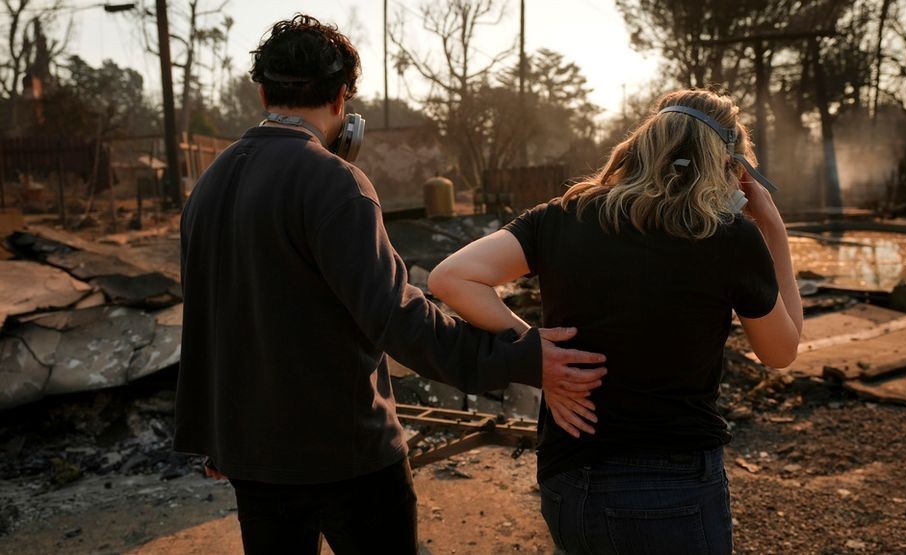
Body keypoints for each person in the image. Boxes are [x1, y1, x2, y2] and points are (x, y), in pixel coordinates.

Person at [173, 15, 606, 555]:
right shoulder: (334, 181)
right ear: (341, 99)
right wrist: (522, 356)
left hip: (254, 460)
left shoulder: (207, 187)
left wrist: (214, 433)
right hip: (348, 456)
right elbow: (399, 319)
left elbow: (207, 320)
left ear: (262, 92)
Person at [428, 88, 803, 554]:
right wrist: (775, 231)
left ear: (643, 147)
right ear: (728, 168)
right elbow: (781, 351)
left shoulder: (563, 215)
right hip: (673, 486)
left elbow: (451, 278)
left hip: (568, 478)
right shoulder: (728, 237)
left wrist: (534, 349)